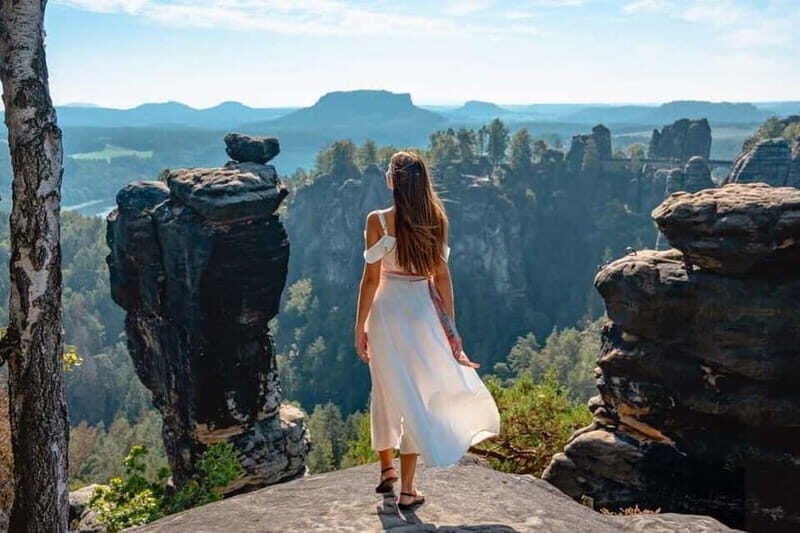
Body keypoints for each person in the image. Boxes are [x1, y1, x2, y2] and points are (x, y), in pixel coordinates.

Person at [354, 151, 501, 510]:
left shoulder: (379, 221)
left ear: (394, 180)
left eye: (389, 171)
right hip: (421, 312)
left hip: (387, 312)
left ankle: (387, 469)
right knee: (415, 396)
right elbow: (442, 276)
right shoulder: (437, 219)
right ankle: (406, 487)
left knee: (386, 389)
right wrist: (448, 326)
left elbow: (371, 279)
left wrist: (360, 326)